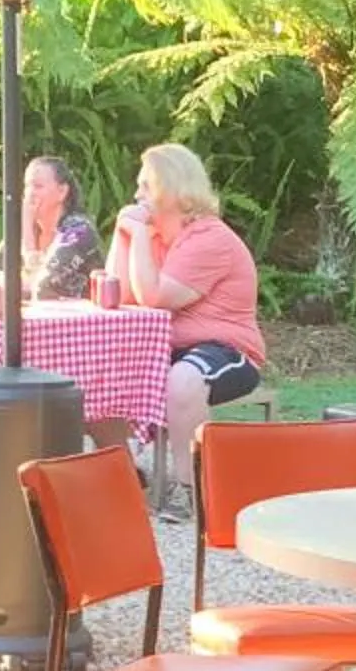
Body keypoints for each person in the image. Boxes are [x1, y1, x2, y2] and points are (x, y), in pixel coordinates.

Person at [111, 143, 261, 509]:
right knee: (100, 371)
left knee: (183, 379)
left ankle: (190, 487)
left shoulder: (209, 238)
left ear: (170, 188)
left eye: (145, 186)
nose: (136, 196)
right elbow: (119, 294)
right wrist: (123, 233)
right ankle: (121, 475)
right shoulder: (158, 238)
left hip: (226, 348)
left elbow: (154, 297)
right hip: (169, 347)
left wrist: (140, 235)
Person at [21, 155, 99, 302]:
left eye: (38, 186)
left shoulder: (78, 230)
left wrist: (28, 243)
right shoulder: (29, 230)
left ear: (62, 192)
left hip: (78, 321)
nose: (30, 194)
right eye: (27, 186)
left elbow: (43, 286)